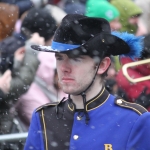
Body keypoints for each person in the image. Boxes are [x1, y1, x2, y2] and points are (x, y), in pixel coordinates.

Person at [24, 14, 150, 150]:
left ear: (102, 65)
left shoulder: (134, 120)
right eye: (59, 58)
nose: (63, 68)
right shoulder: (43, 117)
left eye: (76, 59)